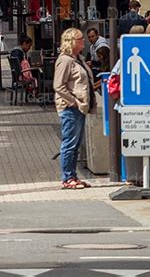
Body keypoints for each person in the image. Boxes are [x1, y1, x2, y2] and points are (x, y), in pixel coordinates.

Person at [53, 27, 95, 189]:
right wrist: (74, 101)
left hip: (80, 107)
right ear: (71, 42)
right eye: (80, 39)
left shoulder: (78, 58)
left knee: (76, 144)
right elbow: (59, 85)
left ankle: (73, 176)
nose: (83, 40)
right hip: (70, 108)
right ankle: (67, 178)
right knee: (69, 143)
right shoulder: (65, 60)